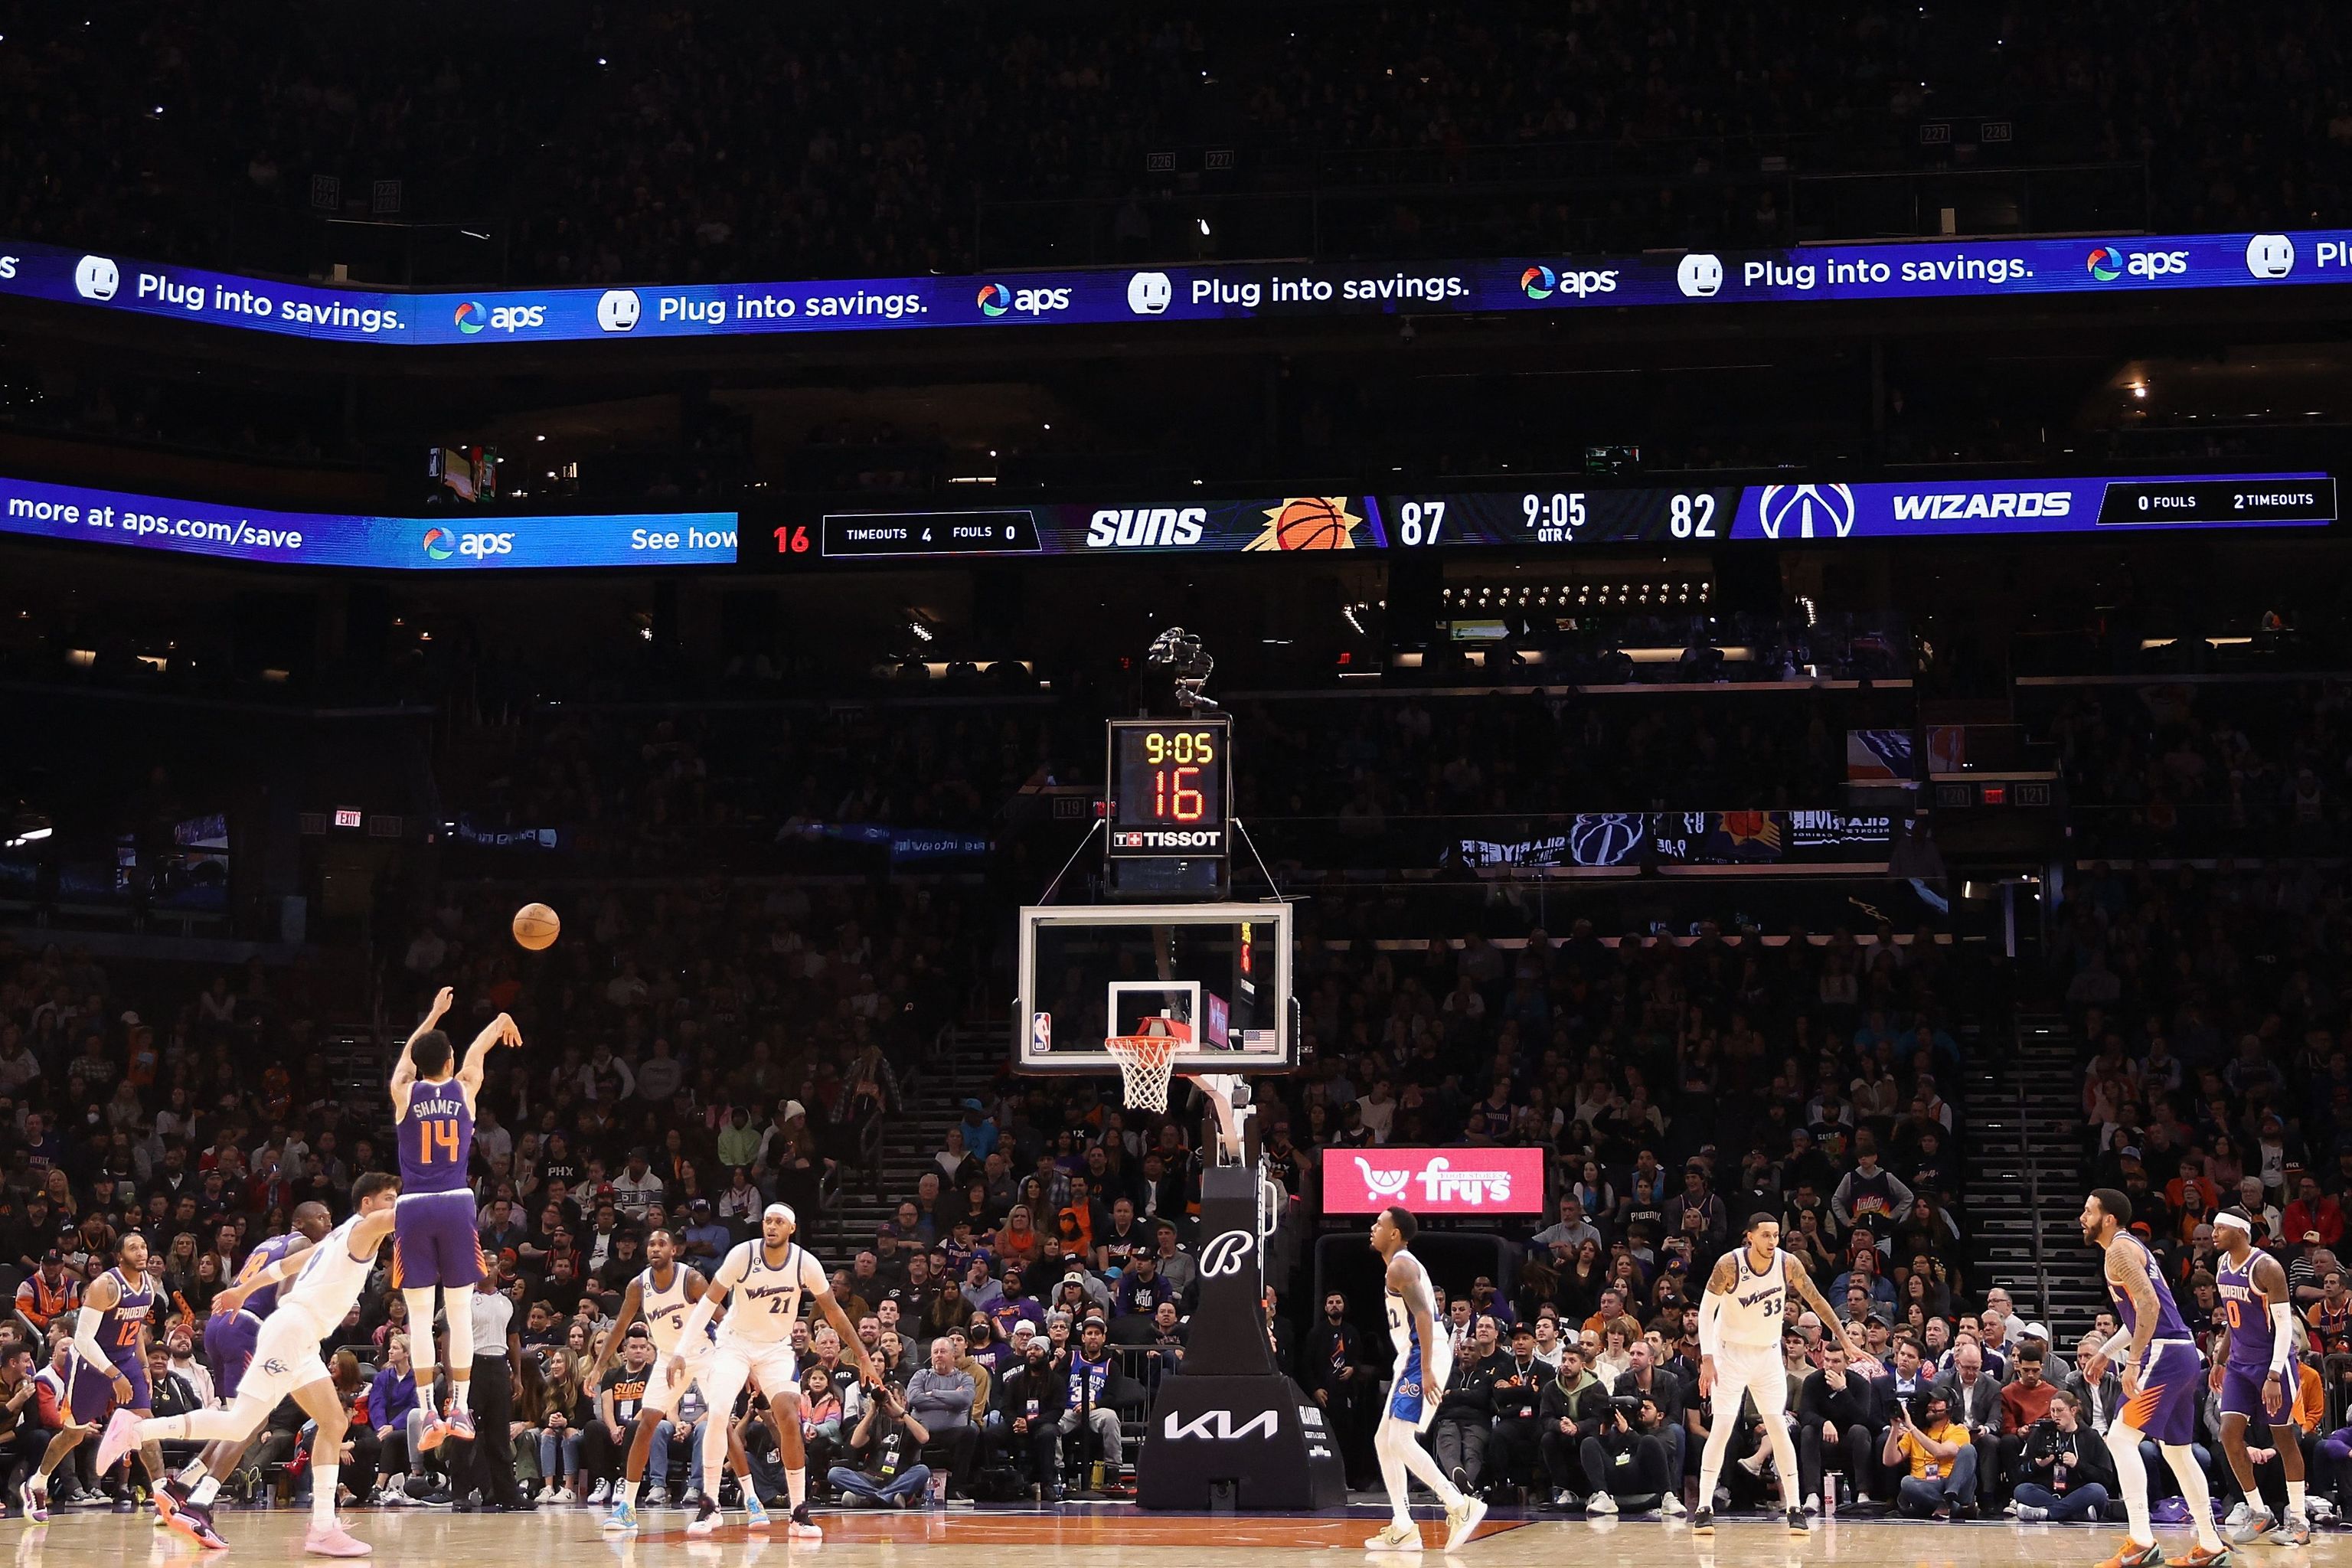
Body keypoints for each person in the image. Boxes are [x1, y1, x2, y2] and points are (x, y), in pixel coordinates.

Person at [97, 1172, 403, 1557]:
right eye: (388, 1198)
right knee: (242, 1422)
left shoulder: (339, 1235)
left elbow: (290, 1264)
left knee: (333, 1422)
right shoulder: (363, 1228)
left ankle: (323, 1528)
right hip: (292, 1330)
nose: (393, 1206)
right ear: (367, 1205)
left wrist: (243, 1288)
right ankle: (138, 1433)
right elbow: (406, 1214)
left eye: (396, 1199)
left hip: (301, 1338)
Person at [671, 1202, 877, 1538]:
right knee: (719, 1412)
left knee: (788, 1417)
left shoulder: (804, 1262)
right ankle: (710, 1505)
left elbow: (835, 1313)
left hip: (776, 1349)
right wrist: (682, 1350)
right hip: (734, 1344)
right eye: (767, 1220)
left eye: (778, 1222)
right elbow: (709, 1302)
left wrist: (863, 1356)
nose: (771, 1226)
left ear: (791, 1229)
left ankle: (798, 1511)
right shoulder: (742, 1254)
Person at [387, 989, 514, 1453]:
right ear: (451, 1059)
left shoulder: (404, 1091)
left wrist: (433, 1013)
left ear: (418, 1064)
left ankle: (426, 1413)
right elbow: (480, 1050)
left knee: (420, 1319)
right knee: (459, 1312)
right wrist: (499, 1019)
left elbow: (406, 1058)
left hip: (414, 1205)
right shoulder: (464, 1088)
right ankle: (458, 1405)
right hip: (457, 1201)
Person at [2080, 1187, 2230, 1568]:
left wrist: (2131, 1364)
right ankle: (2211, 1545)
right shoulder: (2130, 1248)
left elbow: (2149, 1305)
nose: (2082, 1218)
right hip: (2180, 1353)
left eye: (2088, 1211)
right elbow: (2140, 1317)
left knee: (2120, 1438)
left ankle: (2141, 1541)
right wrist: (2104, 1352)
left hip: (2162, 1353)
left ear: (2108, 1218)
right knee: (2176, 1451)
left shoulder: (2117, 1250)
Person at [1694, 1213, 1862, 1534]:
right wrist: (1707, 1357)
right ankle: (1704, 1507)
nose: (1773, 1242)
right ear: (1750, 1237)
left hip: (1768, 1353)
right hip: (1730, 1352)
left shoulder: (1788, 1264)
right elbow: (1706, 1311)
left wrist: (1843, 1339)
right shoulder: (1729, 1265)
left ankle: (1795, 1507)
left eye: (1776, 1236)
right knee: (1723, 1426)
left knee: (1778, 1425)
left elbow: (1818, 1301)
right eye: (1766, 1236)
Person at [1364, 1205, 1484, 1553]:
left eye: (1379, 1224)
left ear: (1395, 1233)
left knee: (1400, 1440)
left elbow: (1423, 1318)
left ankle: (1459, 1504)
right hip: (1412, 1358)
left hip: (1421, 1356)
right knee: (1383, 1440)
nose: (1373, 1228)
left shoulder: (1401, 1265)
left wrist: (1428, 1368)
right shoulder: (1398, 1265)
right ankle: (1403, 1525)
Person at [24, 1234, 165, 1520]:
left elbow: (135, 1328)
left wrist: (144, 1368)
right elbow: (83, 1340)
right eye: (133, 1248)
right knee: (73, 1435)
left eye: (143, 1247)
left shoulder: (148, 1284)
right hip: (92, 1364)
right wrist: (114, 1375)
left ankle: (163, 1497)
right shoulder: (105, 1286)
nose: (141, 1253)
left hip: (126, 1361)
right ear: (119, 1256)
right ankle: (37, 1482)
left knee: (148, 1429)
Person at [586, 1228, 714, 1532]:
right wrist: (599, 1367)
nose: (655, 1248)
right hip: (669, 1358)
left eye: (662, 1244)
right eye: (651, 1244)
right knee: (646, 1424)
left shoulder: (692, 1279)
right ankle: (627, 1507)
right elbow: (618, 1328)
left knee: (719, 1422)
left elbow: (720, 1317)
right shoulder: (637, 1286)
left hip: (704, 1353)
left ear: (674, 1251)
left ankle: (746, 1499)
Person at [2210, 1207, 2311, 1544]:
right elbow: (2232, 1321)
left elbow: (2285, 1327)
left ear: (2240, 1232)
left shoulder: (2267, 1267)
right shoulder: (2222, 1265)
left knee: (2284, 1439)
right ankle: (2259, 1511)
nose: (2213, 1234)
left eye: (2220, 1228)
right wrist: (2220, 1359)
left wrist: (2273, 1375)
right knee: (2228, 1435)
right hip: (2239, 1364)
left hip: (2273, 1365)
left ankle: (2298, 1520)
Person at [2014, 1389, 2118, 1522]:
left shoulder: (2091, 1436)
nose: (2055, 1415)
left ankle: (2048, 1513)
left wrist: (2078, 1465)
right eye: (2052, 1411)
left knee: (2098, 1491)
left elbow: (2106, 1477)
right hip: (2048, 1491)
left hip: (2079, 1492)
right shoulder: (2040, 1433)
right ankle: (2076, 1513)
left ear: (2073, 1411)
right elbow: (2020, 1471)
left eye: (2060, 1410)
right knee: (2021, 1490)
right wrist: (2037, 1465)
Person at [829, 1380, 930, 1507]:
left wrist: (901, 1412)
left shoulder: (913, 1422)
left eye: (893, 1399)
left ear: (904, 1400)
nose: (888, 1404)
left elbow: (924, 1438)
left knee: (923, 1471)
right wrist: (871, 1412)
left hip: (898, 1478)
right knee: (835, 1473)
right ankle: (886, 1496)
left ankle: (866, 1498)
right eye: (886, 1401)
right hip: (870, 1478)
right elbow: (855, 1443)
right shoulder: (876, 1421)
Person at [1883, 1387, 1977, 1517]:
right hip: (1927, 1485)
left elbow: (1940, 1452)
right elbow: (1889, 1460)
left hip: (1951, 1483)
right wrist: (1895, 1428)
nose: (1931, 1405)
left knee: (1968, 1450)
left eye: (1936, 1402)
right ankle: (1953, 1509)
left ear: (1949, 1406)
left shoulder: (1958, 1431)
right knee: (1907, 1482)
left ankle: (1948, 1500)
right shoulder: (1915, 1432)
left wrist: (1911, 1427)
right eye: (1930, 1402)